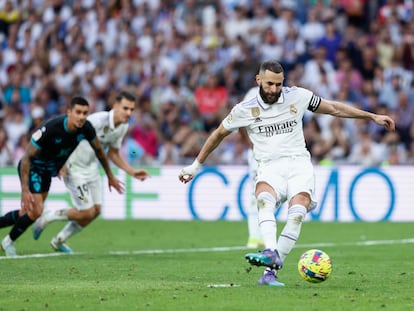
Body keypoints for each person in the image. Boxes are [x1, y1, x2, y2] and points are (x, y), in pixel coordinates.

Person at [178, 60, 395, 286]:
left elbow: (334, 108)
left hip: (298, 164)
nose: (274, 89)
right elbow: (218, 134)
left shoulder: (297, 96)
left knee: (298, 212)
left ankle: (270, 273)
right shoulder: (245, 109)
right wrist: (195, 166)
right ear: (258, 80)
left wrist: (371, 116)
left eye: (278, 84)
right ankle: (270, 250)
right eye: (269, 83)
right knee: (264, 199)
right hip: (269, 166)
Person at [0, 96, 124, 257]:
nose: (81, 117)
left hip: (48, 172)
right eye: (78, 112)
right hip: (33, 168)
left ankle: (8, 236)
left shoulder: (86, 128)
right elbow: (26, 158)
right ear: (69, 112)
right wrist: (24, 189)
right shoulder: (51, 128)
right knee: (36, 210)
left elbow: (100, 152)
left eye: (85, 113)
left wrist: (110, 176)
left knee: (29, 212)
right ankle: (8, 241)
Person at [32, 91, 150, 253]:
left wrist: (131, 171)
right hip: (74, 168)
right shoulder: (96, 121)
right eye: (125, 108)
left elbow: (113, 153)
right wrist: (61, 161)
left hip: (92, 168)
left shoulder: (123, 126)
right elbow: (68, 135)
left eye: (131, 109)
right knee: (86, 211)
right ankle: (49, 216)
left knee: (96, 211)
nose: (129, 113)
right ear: (115, 106)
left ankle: (59, 240)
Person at [240, 86, 264, 249]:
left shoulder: (282, 93)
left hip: (276, 153)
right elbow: (240, 119)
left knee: (271, 196)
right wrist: (248, 143)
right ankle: (254, 237)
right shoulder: (252, 94)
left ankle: (263, 236)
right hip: (257, 152)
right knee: (256, 194)